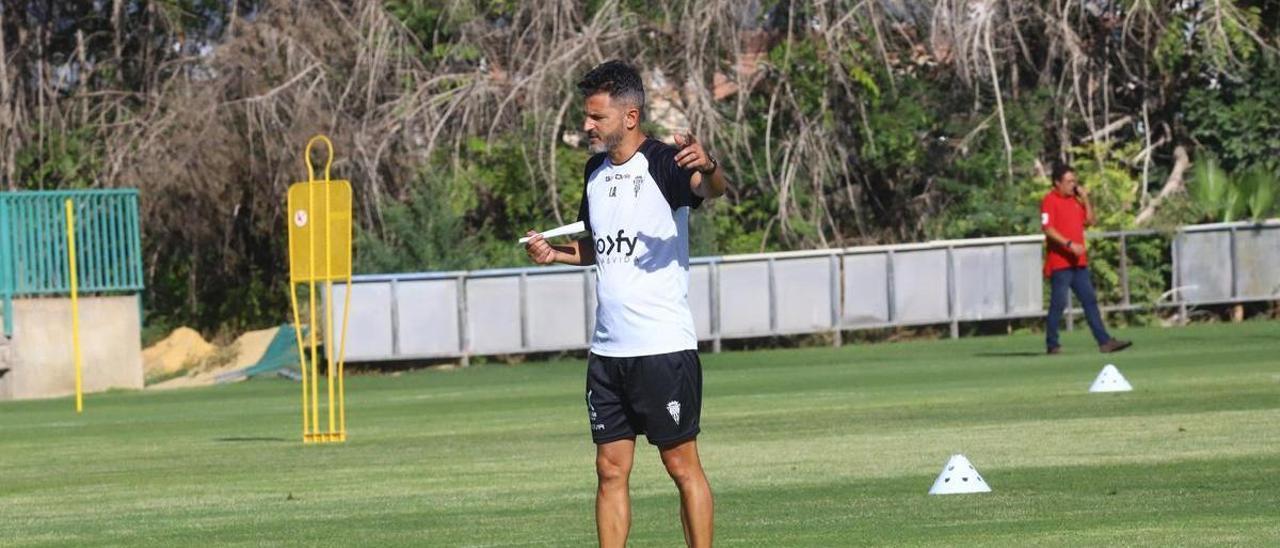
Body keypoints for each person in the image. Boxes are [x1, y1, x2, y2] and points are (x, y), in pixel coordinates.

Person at [524, 61, 727, 548]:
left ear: (630, 116)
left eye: (596, 117)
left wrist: (709, 166)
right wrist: (556, 255)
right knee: (609, 469)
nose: (587, 126)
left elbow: (711, 191)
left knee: (681, 466)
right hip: (608, 353)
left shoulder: (663, 162)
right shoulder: (594, 172)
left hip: (661, 349)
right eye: (587, 116)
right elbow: (599, 247)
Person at [1040, 162, 1132, 355]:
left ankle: (1104, 342)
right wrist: (1069, 244)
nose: (1073, 185)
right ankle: (1052, 344)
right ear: (1057, 182)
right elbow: (1048, 229)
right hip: (1060, 263)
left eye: (1074, 181)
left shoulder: (1075, 200)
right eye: (1068, 181)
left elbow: (1090, 221)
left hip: (1078, 263)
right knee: (1058, 304)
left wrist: (1086, 199)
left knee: (1090, 301)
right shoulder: (1049, 201)